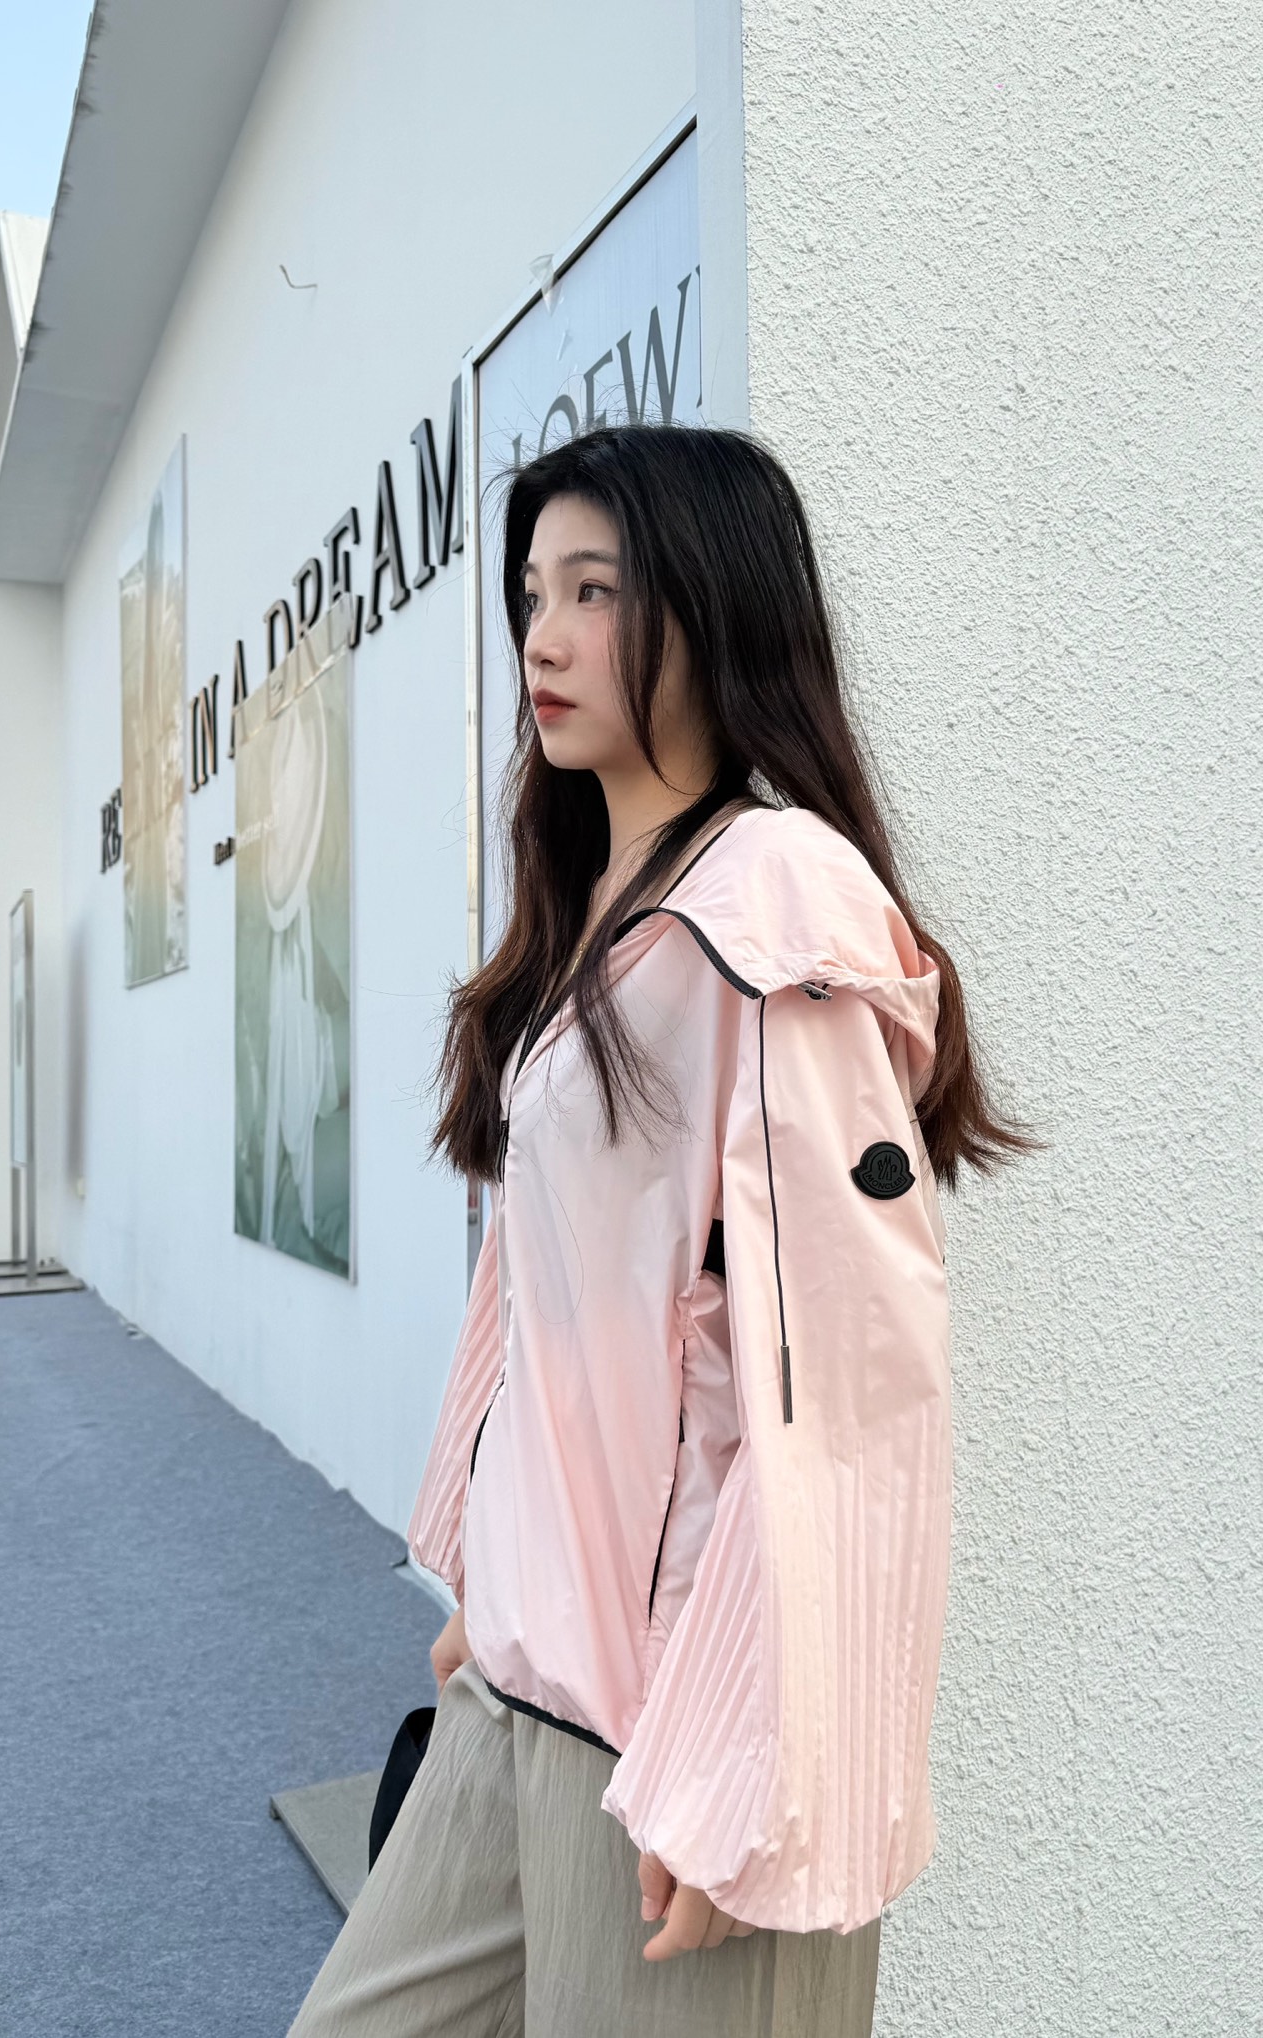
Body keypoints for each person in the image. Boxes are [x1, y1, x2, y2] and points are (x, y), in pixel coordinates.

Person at [287, 424, 1026, 2037]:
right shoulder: (595, 920)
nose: (542, 638)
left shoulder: (774, 907)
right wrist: (496, 1579)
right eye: (532, 594)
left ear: (714, 607)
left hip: (674, 1740)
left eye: (596, 591)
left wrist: (748, 1764)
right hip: (524, 1690)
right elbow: (561, 1304)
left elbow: (848, 1379)